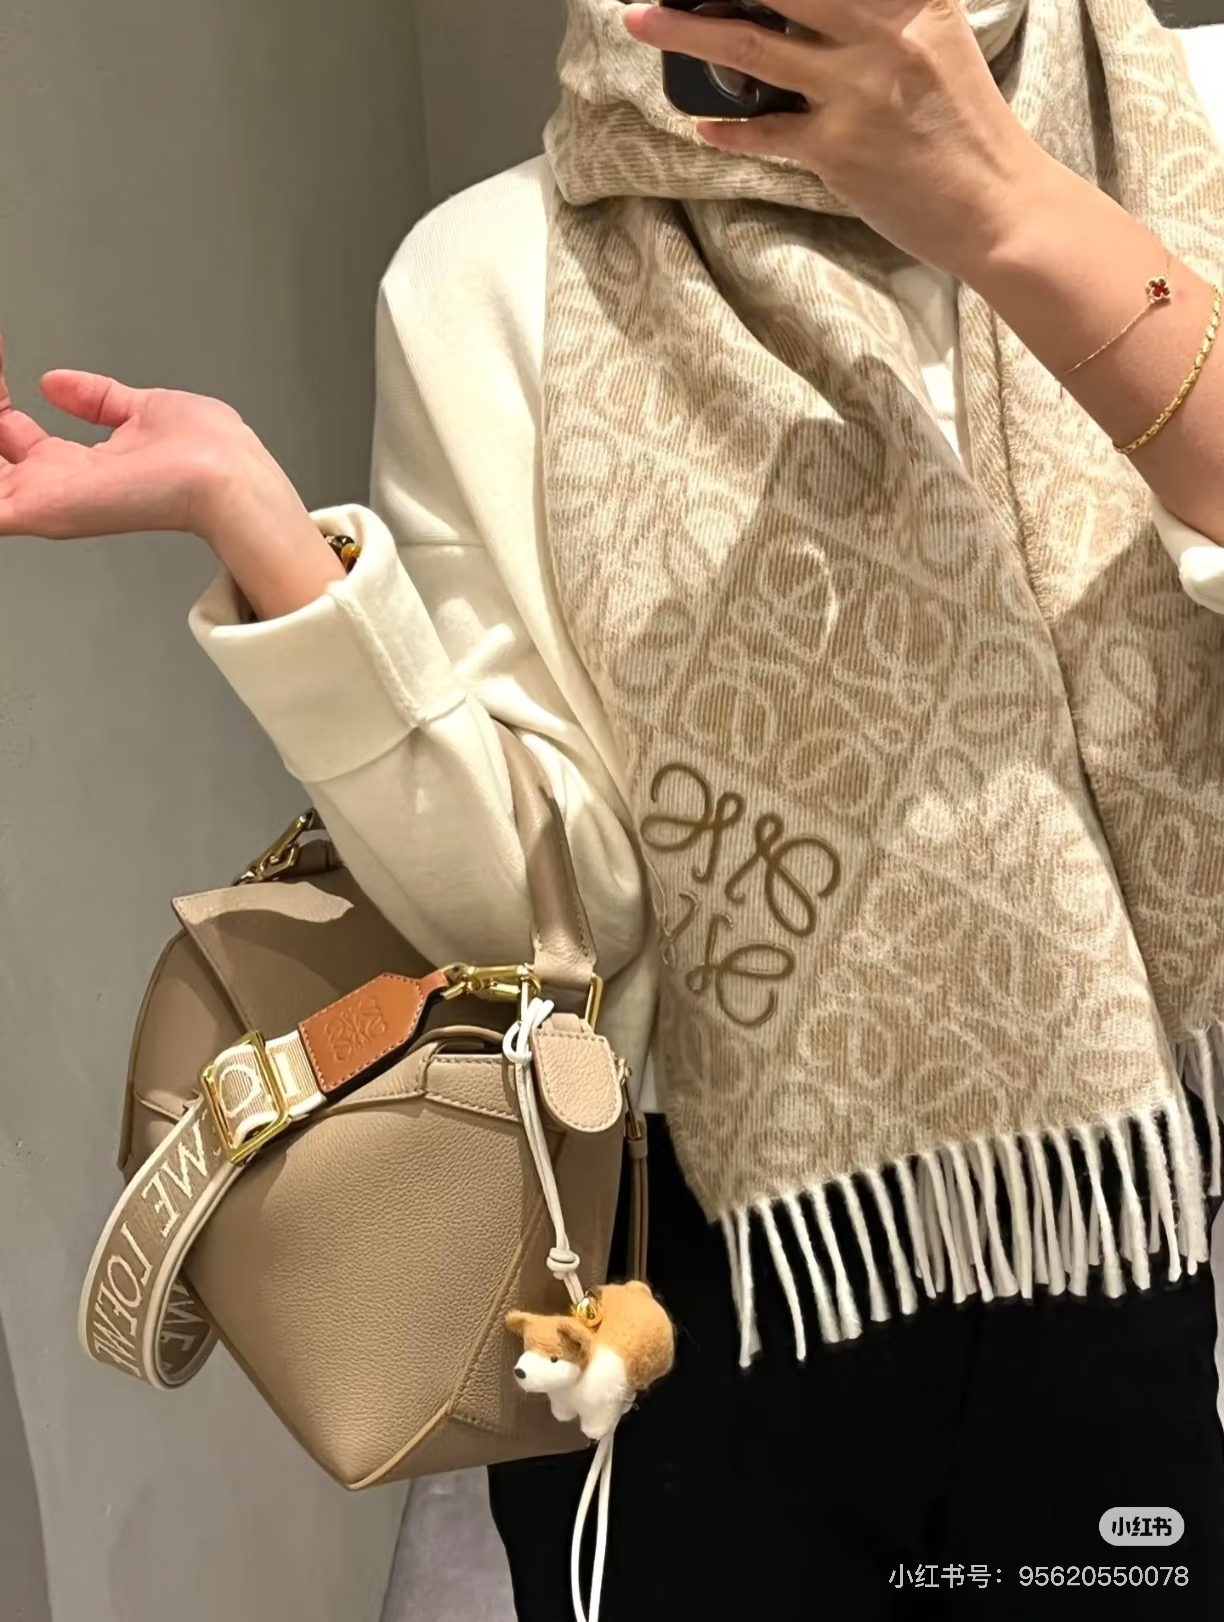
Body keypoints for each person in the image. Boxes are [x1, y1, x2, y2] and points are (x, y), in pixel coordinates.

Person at [3, 0, 1224, 1614]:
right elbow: (542, 903)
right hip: (724, 1259)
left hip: (1160, 1200)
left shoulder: (1187, 128)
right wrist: (273, 544)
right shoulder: (492, 277)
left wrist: (1005, 207)